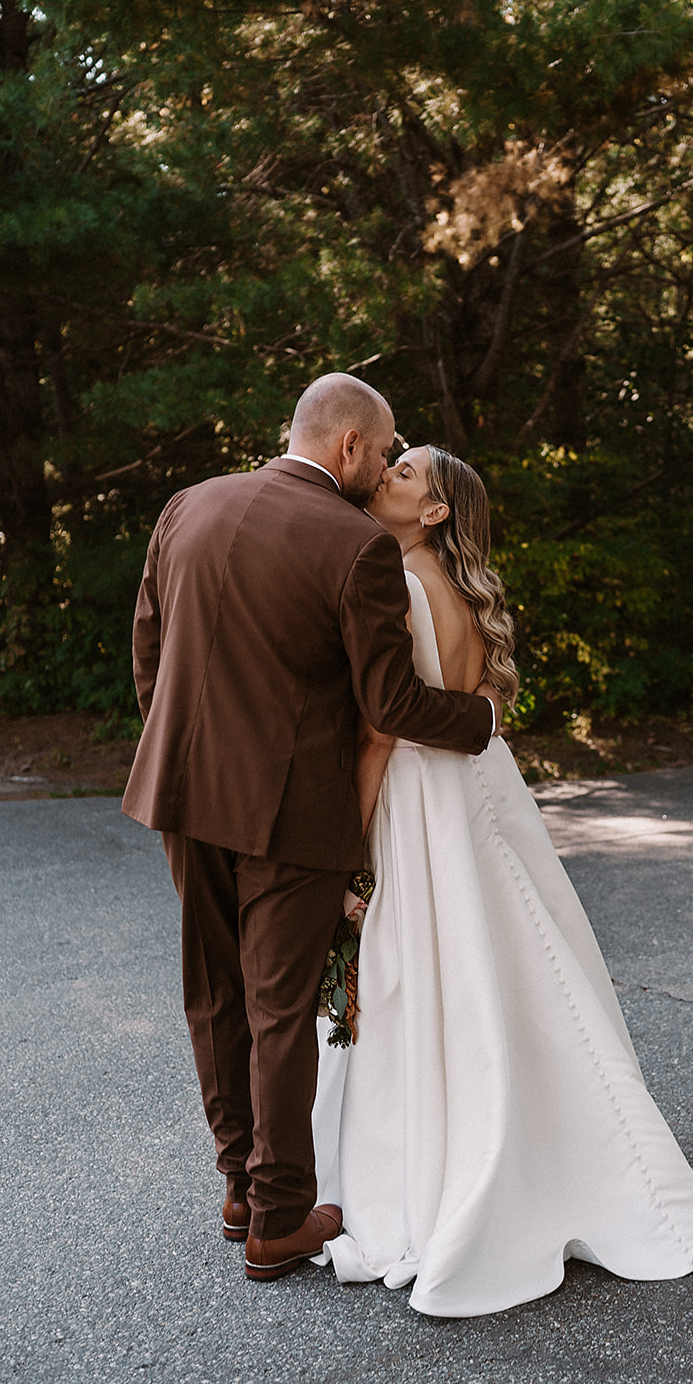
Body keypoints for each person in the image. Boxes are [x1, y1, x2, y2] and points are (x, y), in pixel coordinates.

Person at [312, 445, 693, 1316]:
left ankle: (450, 1160)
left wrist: (349, 848)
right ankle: (557, 1146)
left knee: (423, 979)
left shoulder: (398, 578)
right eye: (392, 461)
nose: (387, 472)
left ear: (434, 514)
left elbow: (384, 732)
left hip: (422, 800)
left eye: (407, 473)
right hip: (477, 790)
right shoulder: (456, 588)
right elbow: (474, 707)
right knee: (508, 968)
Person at [122, 376, 500, 1281]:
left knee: (211, 994)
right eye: (384, 448)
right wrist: (483, 723)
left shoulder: (188, 507)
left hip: (180, 794)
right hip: (286, 813)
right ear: (347, 448)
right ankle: (279, 1217)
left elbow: (149, 651)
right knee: (278, 1008)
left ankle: (236, 1189)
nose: (383, 467)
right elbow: (392, 702)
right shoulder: (357, 544)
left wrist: (177, 754)